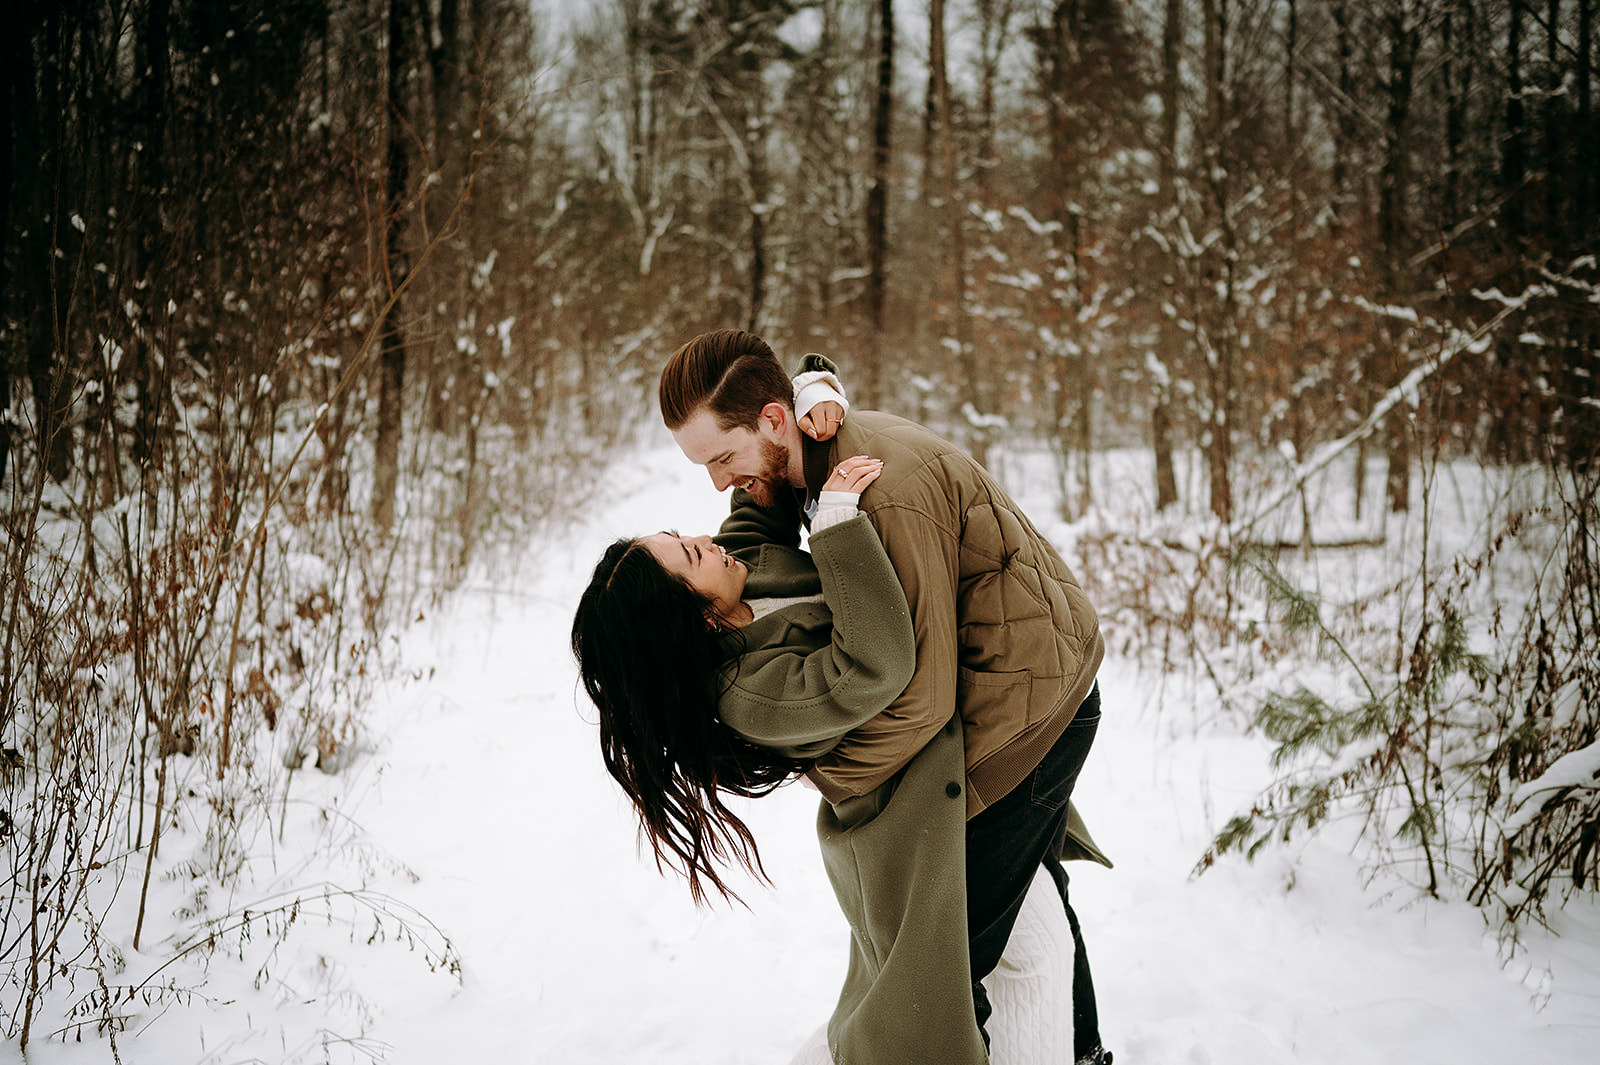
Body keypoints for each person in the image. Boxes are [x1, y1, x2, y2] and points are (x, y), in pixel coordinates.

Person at [659, 329, 1114, 1065]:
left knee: (944, 962)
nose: (717, 483)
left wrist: (831, 771)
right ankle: (1086, 1051)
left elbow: (918, 701)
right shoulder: (804, 464)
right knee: (1027, 902)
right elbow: (758, 524)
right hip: (1009, 681)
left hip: (1026, 709)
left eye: (722, 458)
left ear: (774, 423)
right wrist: (816, 380)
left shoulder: (876, 497)